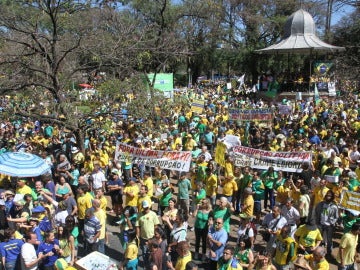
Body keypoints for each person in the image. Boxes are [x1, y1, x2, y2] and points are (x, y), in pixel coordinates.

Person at [136, 200, 160, 267]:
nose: (146, 209)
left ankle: (153, 265)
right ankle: (146, 265)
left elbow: (156, 225)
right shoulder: (139, 215)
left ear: (149, 207)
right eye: (144, 208)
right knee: (144, 252)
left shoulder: (153, 214)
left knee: (153, 252)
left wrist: (155, 236)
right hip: (143, 238)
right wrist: (138, 236)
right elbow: (137, 226)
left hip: (152, 238)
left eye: (147, 208)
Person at [314, 190, 338, 255]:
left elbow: (336, 217)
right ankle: (319, 252)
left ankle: (329, 253)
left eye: (330, 196)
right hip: (320, 224)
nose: (328, 197)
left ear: (332, 197)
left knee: (329, 240)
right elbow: (316, 212)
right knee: (319, 239)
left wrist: (331, 223)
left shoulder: (334, 207)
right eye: (327, 195)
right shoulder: (320, 204)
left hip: (329, 226)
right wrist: (316, 221)